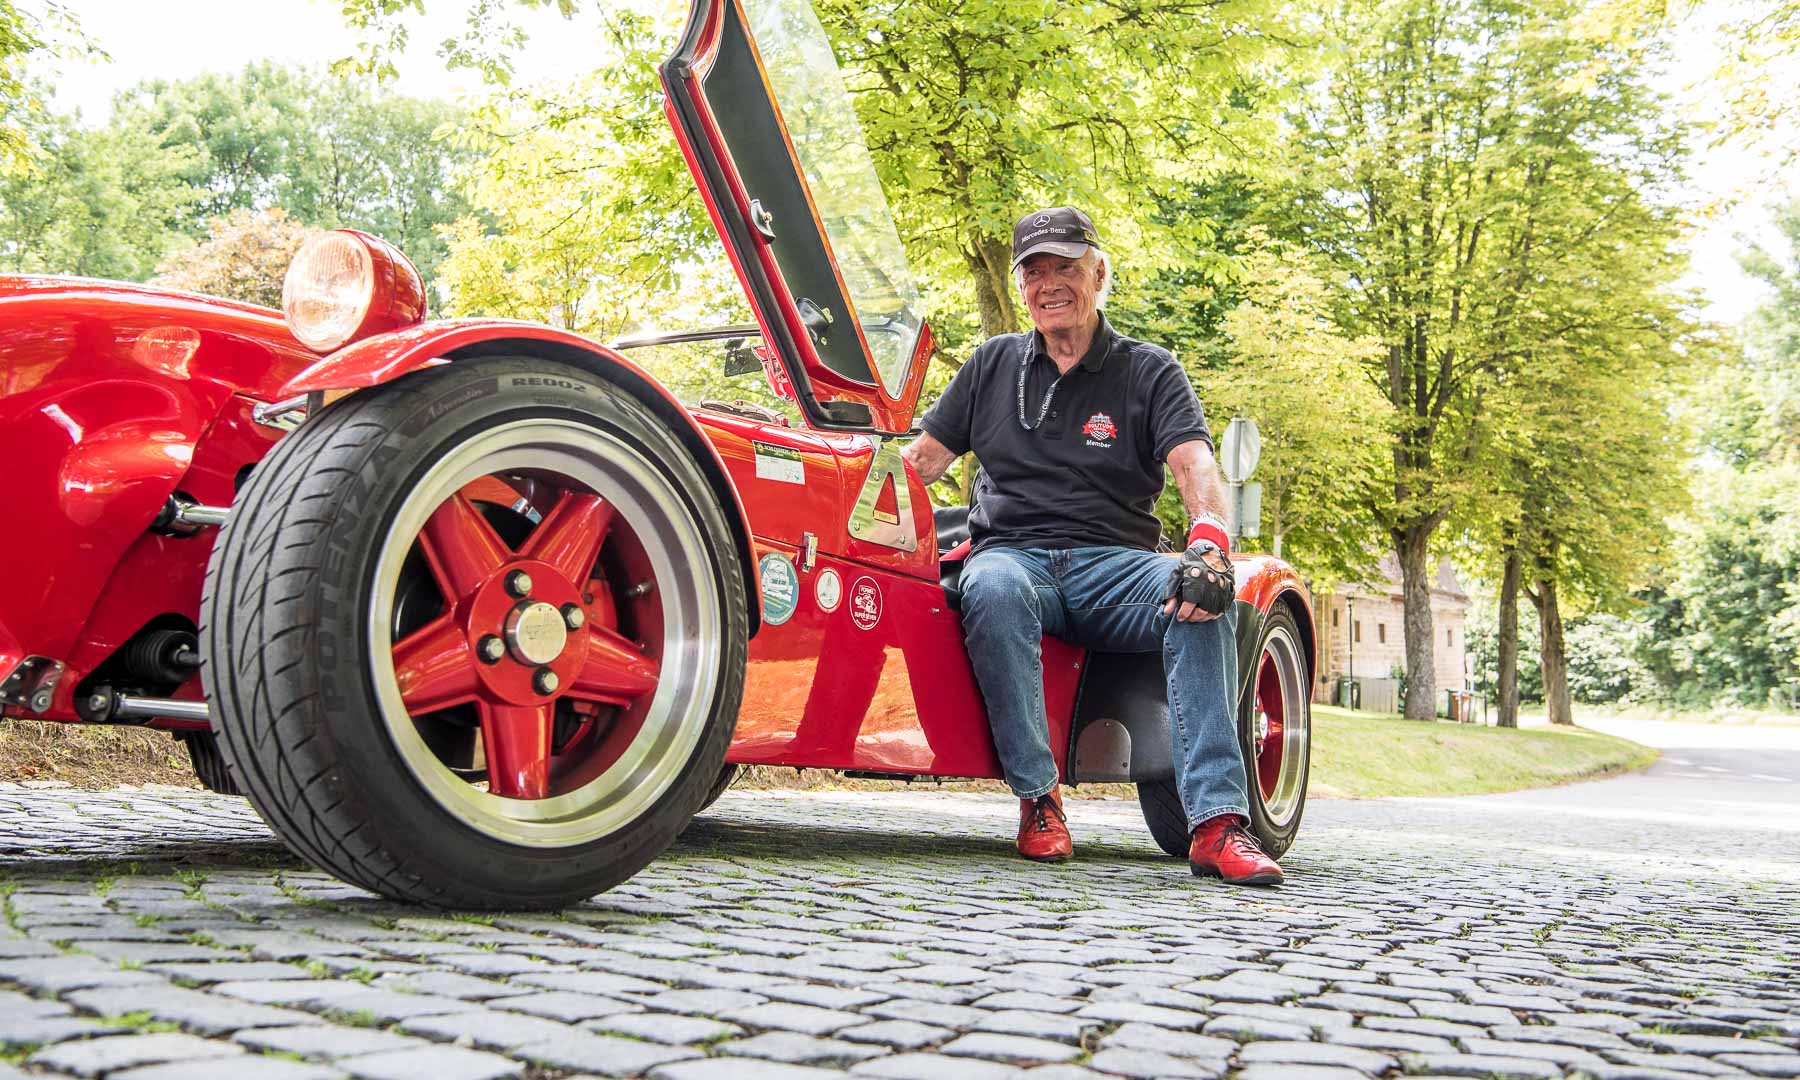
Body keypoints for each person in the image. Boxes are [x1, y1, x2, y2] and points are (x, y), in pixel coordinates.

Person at [901, 206, 1283, 886]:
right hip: (1012, 555)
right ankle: (1039, 800)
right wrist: (849, 481)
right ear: (1020, 288)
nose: (1050, 284)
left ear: (1099, 274)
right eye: (1035, 272)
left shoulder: (1149, 370)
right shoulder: (991, 364)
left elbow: (1196, 466)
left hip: (1117, 564)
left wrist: (1209, 545)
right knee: (989, 587)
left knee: (1201, 598)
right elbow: (920, 463)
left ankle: (1218, 824)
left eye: (1066, 268)